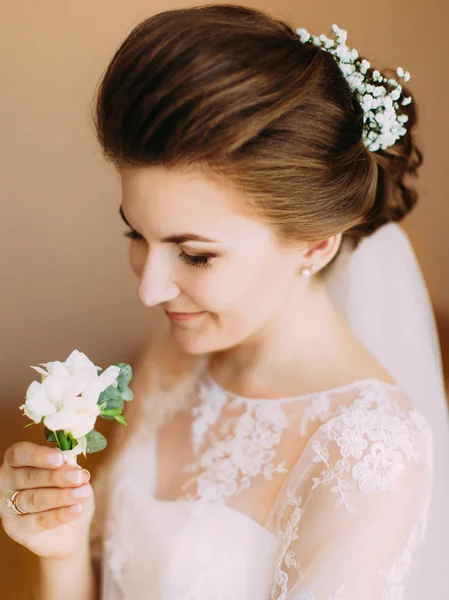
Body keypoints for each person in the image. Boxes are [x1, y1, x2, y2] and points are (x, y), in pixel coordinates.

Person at [1, 5, 446, 599]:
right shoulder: (176, 352)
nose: (149, 290)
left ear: (313, 245)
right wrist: (61, 550)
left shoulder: (368, 455)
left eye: (196, 255)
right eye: (136, 234)